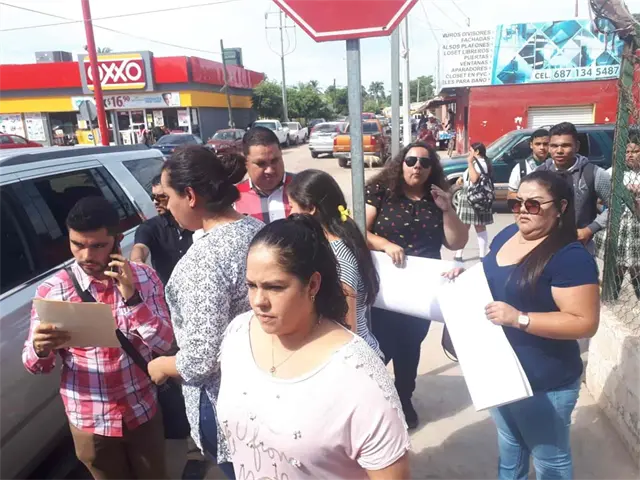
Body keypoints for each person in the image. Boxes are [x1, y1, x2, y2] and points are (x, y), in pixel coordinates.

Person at [216, 215, 411, 479]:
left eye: (275, 287)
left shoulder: (357, 376)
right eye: (251, 285)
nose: (259, 301)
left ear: (313, 285)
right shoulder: (238, 335)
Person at [444, 170, 600, 479]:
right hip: (500, 373)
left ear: (561, 208)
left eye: (534, 204)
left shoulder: (570, 257)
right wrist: (466, 278)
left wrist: (520, 319)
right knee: (511, 448)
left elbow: (585, 322)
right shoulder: (506, 235)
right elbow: (493, 277)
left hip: (544, 382)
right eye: (517, 203)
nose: (522, 211)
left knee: (550, 463)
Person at [22, 196, 174, 480]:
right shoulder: (53, 290)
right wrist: (40, 349)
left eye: (98, 246)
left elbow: (165, 343)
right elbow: (35, 365)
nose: (85, 256)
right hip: (90, 418)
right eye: (77, 245)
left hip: (141, 408)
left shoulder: (144, 278)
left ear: (116, 241)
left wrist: (132, 299)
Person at [147, 146, 263, 480]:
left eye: (168, 197)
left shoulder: (203, 262)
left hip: (226, 405)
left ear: (190, 195)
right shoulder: (256, 231)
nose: (167, 207)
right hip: (264, 388)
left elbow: (200, 360)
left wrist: (162, 366)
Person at [365, 142, 468, 428]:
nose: (417, 167)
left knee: (411, 345)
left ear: (431, 168)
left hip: (422, 290)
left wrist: (447, 209)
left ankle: (403, 397)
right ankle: (370, 401)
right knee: (379, 346)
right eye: (411, 161)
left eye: (424, 162)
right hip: (384, 288)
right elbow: (358, 230)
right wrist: (384, 244)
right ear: (401, 163)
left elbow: (457, 242)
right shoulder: (380, 192)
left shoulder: (437, 198)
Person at [287, 169, 383, 358]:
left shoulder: (338, 255)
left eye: (292, 207)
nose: (290, 214)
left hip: (352, 358)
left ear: (311, 208)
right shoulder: (329, 244)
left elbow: (348, 325)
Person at [536, 122, 611, 254]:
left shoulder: (593, 173)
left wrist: (590, 229)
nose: (559, 151)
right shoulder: (539, 174)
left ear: (577, 146)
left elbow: (617, 206)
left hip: (580, 246)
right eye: (554, 146)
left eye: (566, 145)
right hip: (544, 245)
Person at [595, 139, 640, 300]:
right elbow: (598, 200)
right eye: (627, 152)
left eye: (635, 151)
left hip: (637, 224)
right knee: (617, 265)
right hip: (618, 223)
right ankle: (611, 298)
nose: (630, 155)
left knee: (636, 266)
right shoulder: (613, 172)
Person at [131, 175, 193, 285]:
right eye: (153, 197)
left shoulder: (197, 222)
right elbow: (140, 247)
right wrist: (137, 262)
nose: (155, 202)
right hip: (169, 291)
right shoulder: (150, 227)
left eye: (162, 196)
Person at [235, 126, 293, 223]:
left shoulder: (302, 188)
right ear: (246, 163)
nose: (269, 170)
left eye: (274, 161)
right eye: (261, 163)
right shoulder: (234, 198)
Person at [454, 142, 494, 261]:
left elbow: (474, 179)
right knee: (467, 226)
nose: (469, 153)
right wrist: (462, 178)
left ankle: (480, 254)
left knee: (477, 227)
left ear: (477, 152)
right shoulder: (478, 162)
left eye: (471, 151)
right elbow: (470, 176)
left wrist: (469, 162)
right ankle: (459, 254)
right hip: (471, 195)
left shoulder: (480, 163)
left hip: (474, 197)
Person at [507, 129, 550, 200]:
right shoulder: (521, 167)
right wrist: (530, 199)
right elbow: (510, 195)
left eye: (545, 144)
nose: (542, 147)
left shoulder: (555, 166)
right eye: (538, 144)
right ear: (531, 145)